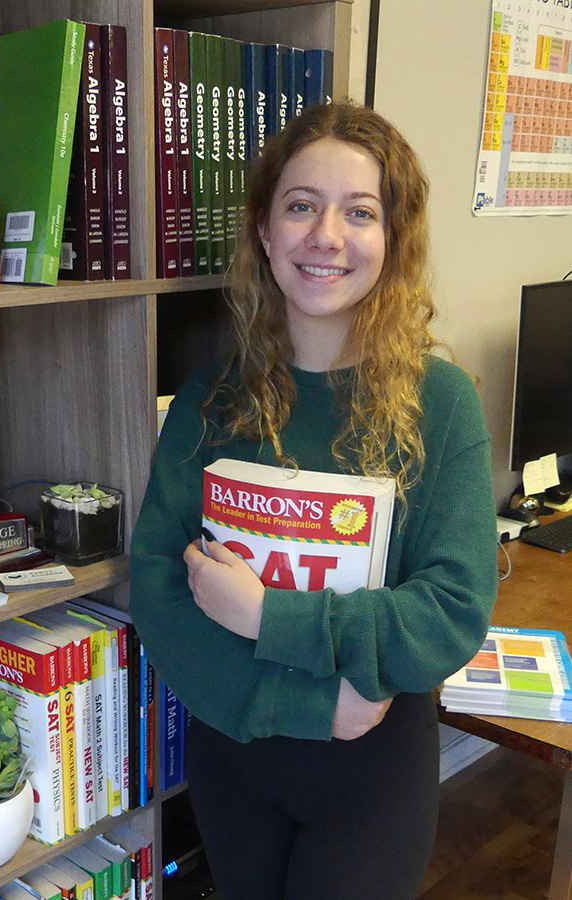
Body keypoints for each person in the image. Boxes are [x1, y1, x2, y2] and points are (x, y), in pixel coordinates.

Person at [129, 101, 497, 900]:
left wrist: (269, 615)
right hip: (234, 752)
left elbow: (452, 611)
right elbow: (159, 592)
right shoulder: (208, 403)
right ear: (265, 229)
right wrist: (311, 702)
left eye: (360, 212)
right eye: (301, 205)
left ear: (392, 240)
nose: (326, 235)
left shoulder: (441, 402)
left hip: (373, 769)